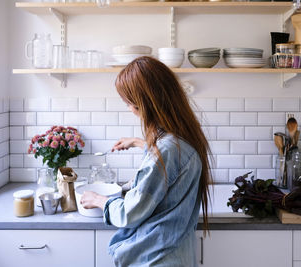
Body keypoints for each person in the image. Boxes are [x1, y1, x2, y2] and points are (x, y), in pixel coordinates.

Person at [80, 56, 213, 267]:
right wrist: (139, 143)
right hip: (176, 257)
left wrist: (99, 200)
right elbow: (173, 165)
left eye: (129, 104)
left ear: (144, 104)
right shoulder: (184, 138)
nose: (130, 109)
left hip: (155, 260)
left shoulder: (166, 151)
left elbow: (129, 213)